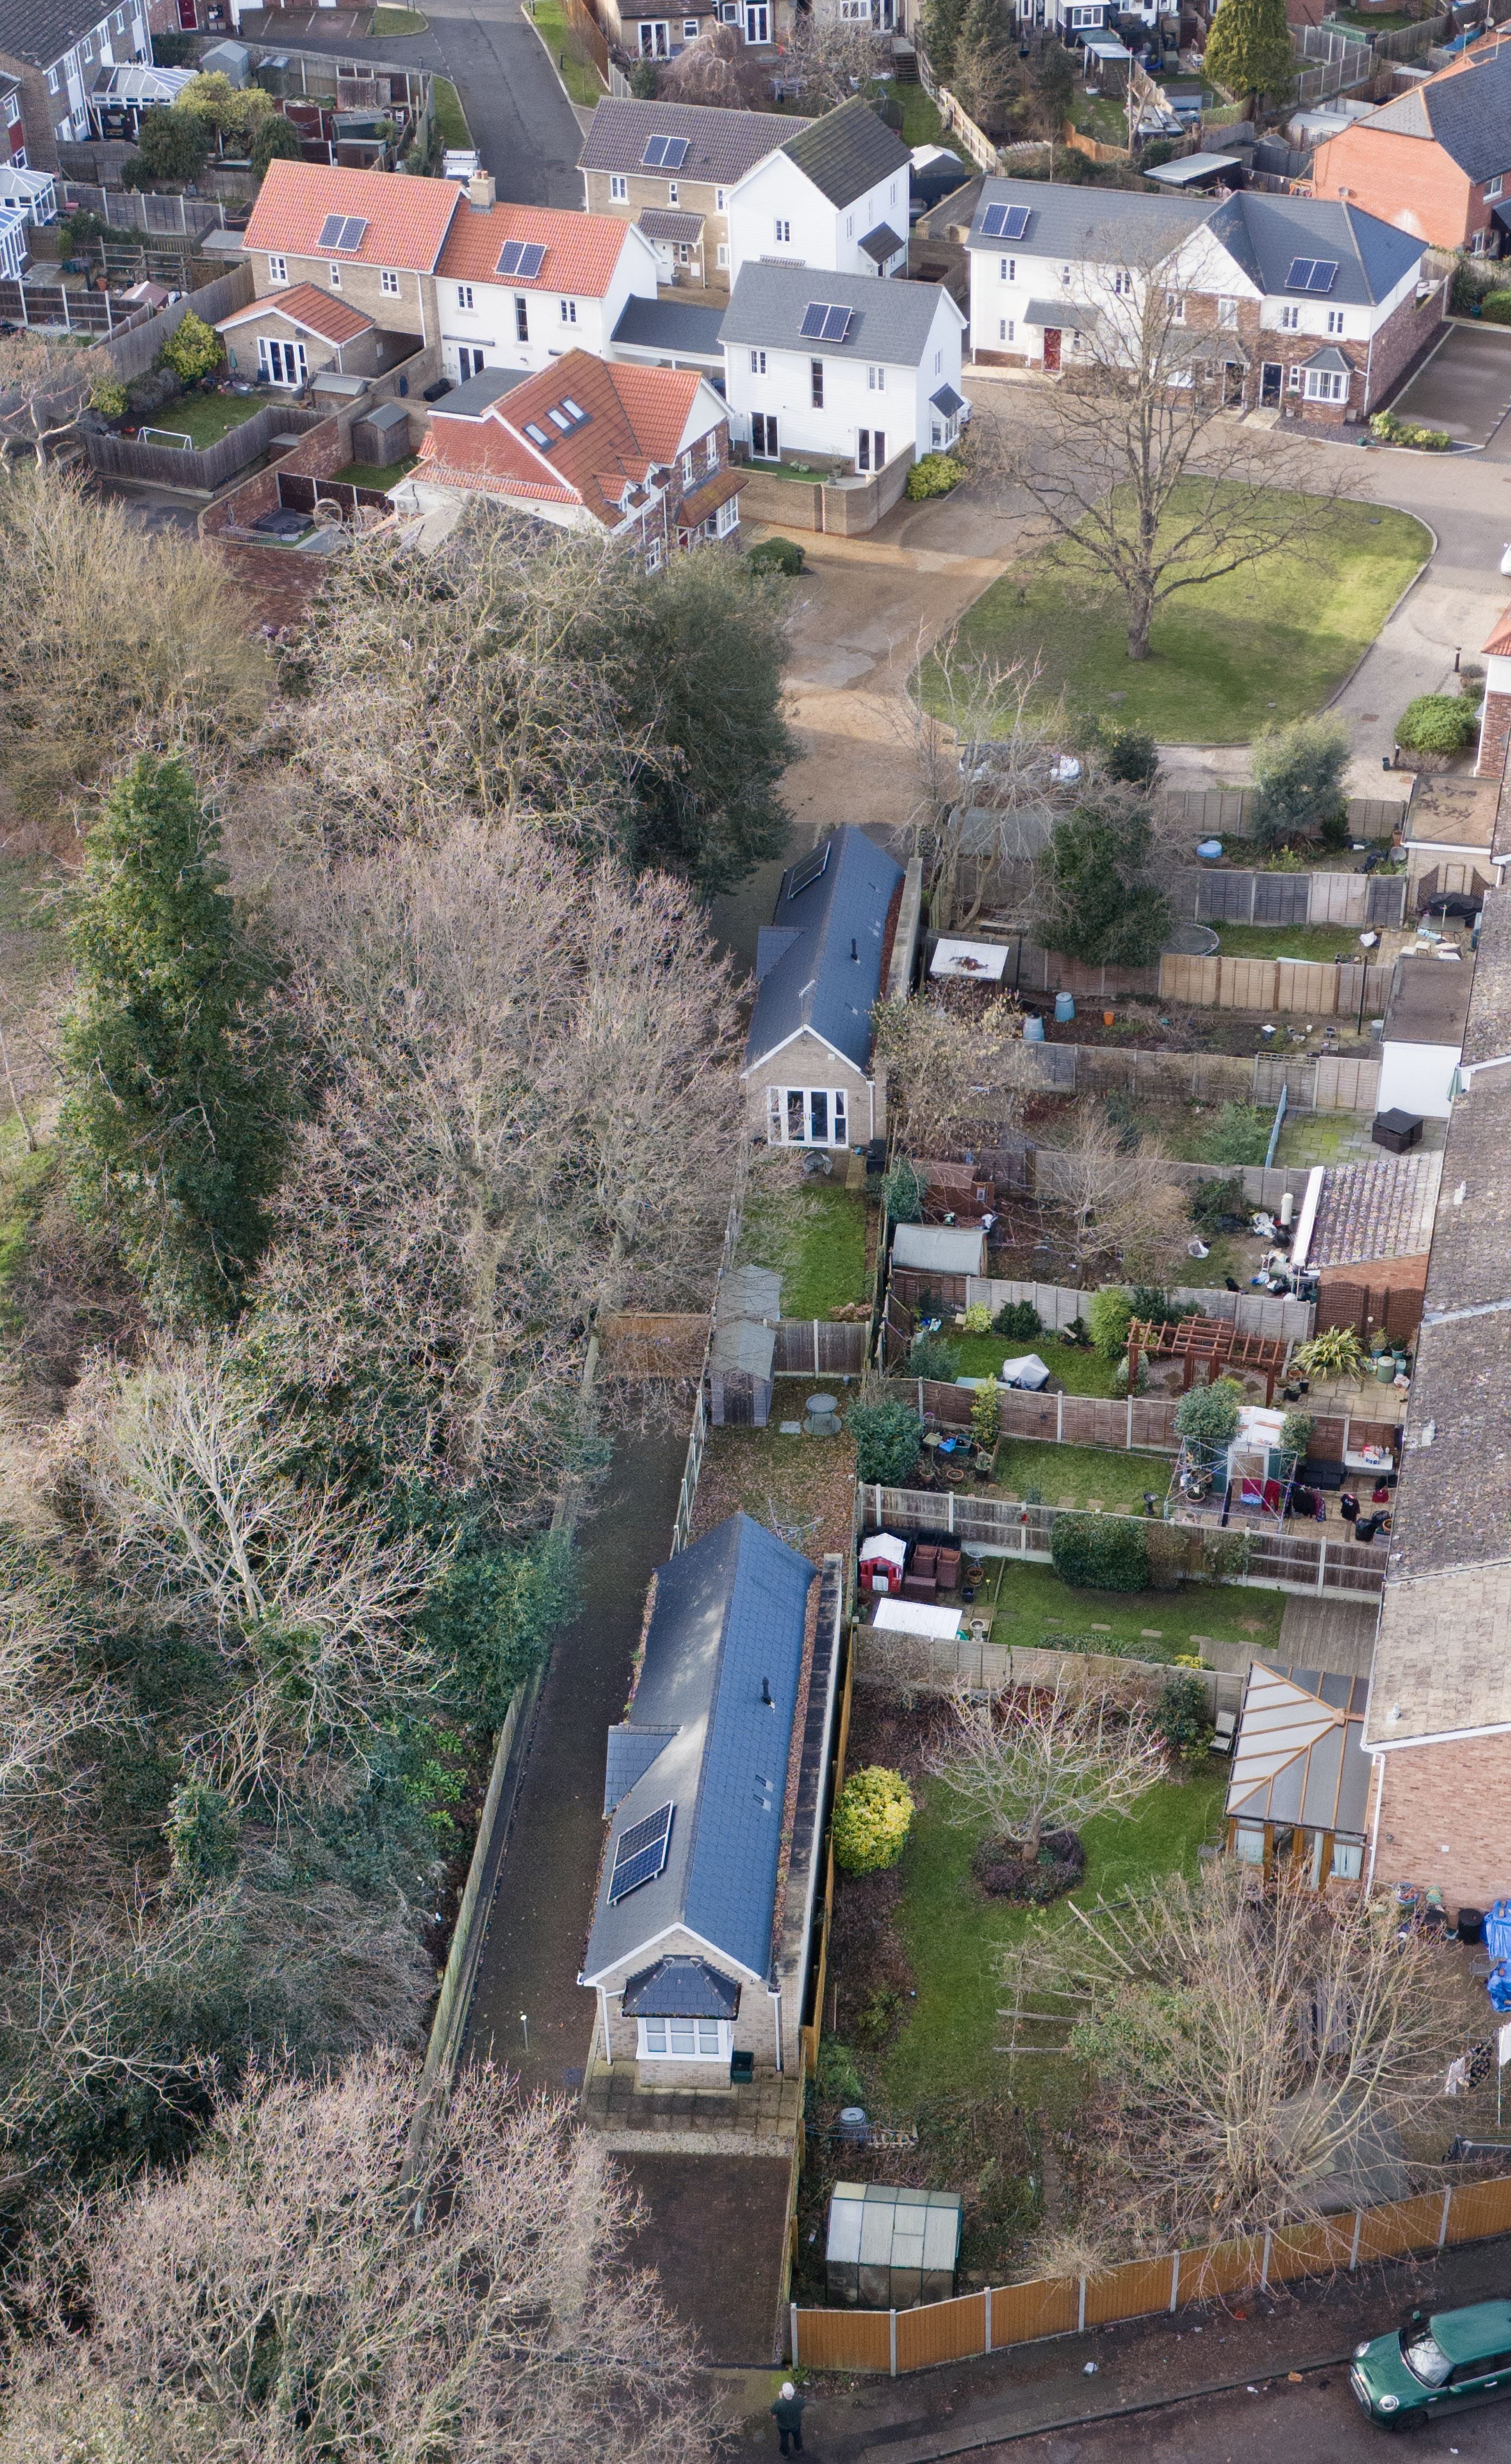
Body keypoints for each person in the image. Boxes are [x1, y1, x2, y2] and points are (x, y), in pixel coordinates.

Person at [771, 2382, 808, 2455]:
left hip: (783, 2426)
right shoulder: (799, 2401)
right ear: (793, 2392)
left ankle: (785, 2453)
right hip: (796, 2424)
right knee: (797, 2437)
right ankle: (799, 2448)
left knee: (784, 2439)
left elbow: (773, 2411)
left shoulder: (779, 2403)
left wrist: (780, 2399)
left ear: (783, 2393)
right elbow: (803, 2406)